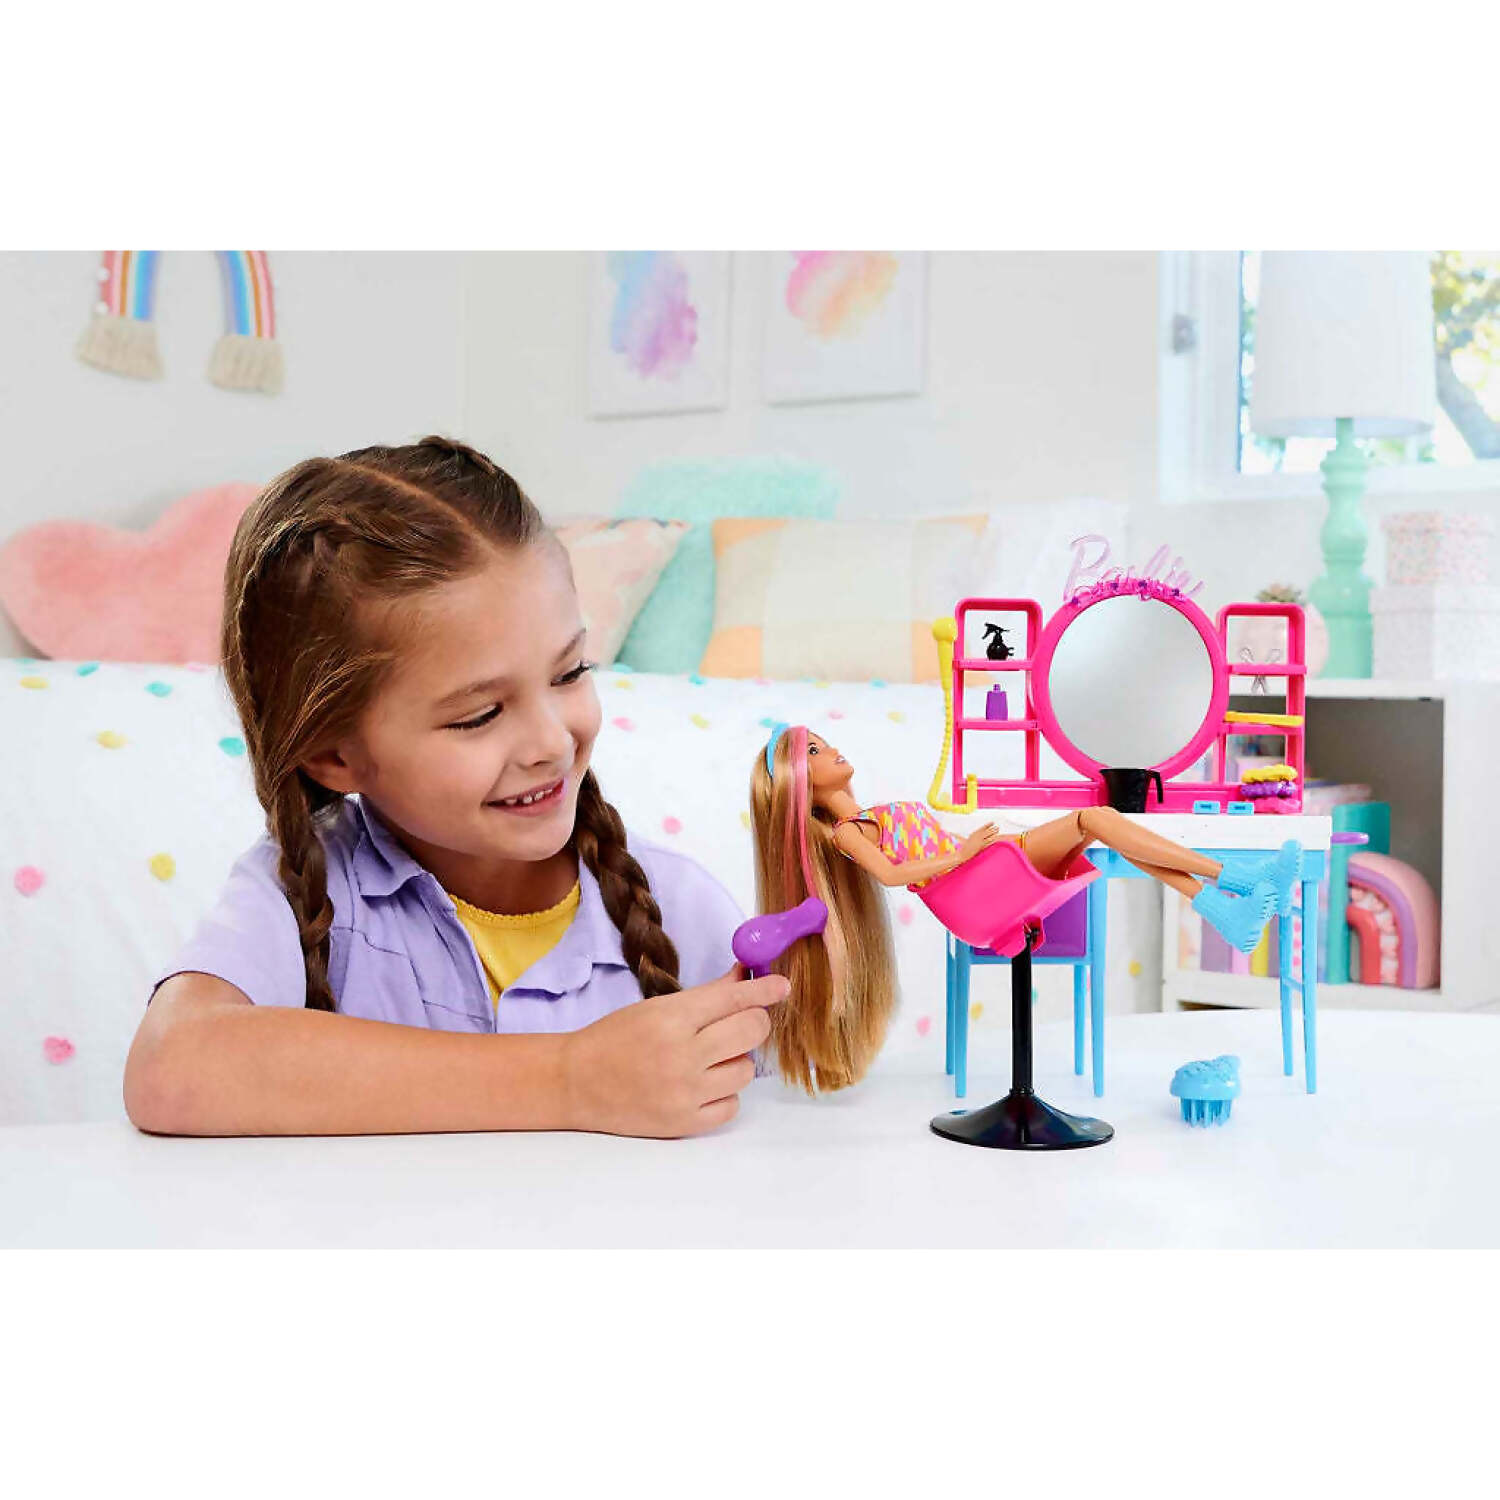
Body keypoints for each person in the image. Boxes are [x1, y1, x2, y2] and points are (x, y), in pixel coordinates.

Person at [124, 437, 786, 1140]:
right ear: (333, 755)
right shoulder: (301, 895)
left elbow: (784, 1130)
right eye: (480, 715)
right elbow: (171, 1068)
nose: (551, 742)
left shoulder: (680, 906)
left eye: (568, 673)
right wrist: (568, 1079)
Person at [748, 724, 1299, 1094]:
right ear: (802, 786)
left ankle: (1223, 909)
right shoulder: (849, 831)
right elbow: (892, 876)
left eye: (824, 742)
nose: (831, 750)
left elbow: (927, 843)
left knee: (1100, 830)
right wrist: (962, 853)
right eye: (813, 752)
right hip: (970, 888)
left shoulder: (873, 813)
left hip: (981, 871)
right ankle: (1236, 879)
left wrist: (974, 842)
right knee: (1096, 820)